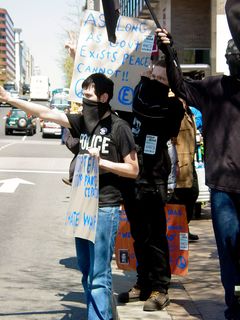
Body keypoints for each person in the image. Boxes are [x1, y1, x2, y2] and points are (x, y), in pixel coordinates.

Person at [0, 73, 139, 320]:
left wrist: (103, 163)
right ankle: (100, 313)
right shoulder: (81, 123)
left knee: (99, 275)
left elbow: (133, 169)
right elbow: (45, 113)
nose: (84, 101)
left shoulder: (120, 128)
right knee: (86, 272)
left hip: (104, 208)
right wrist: (11, 99)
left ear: (104, 97)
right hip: (81, 205)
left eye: (88, 96)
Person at [156, 23, 240, 319]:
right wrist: (170, 51)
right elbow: (180, 86)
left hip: (224, 187)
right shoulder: (214, 88)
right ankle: (235, 302)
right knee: (229, 251)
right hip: (223, 188)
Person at [118, 59, 184, 312]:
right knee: (138, 235)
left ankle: (160, 287)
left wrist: (145, 83)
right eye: (152, 76)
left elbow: (149, 110)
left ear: (169, 85)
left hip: (155, 177)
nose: (154, 81)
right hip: (133, 175)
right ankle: (143, 281)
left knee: (155, 236)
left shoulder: (171, 106)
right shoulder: (133, 97)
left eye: (161, 79)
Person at [169, 99, 200, 241]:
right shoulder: (174, 107)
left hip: (189, 160)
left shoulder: (189, 111)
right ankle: (178, 229)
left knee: (193, 192)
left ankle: (183, 226)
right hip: (179, 161)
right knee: (179, 197)